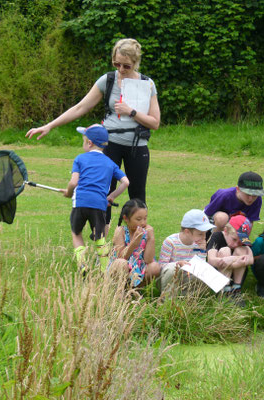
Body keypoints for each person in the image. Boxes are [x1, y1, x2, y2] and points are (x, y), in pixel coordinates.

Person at [26, 38, 160, 229]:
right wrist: (49, 125)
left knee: (138, 197)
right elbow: (81, 107)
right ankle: (103, 246)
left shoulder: (147, 84)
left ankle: (138, 244)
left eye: (126, 66)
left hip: (137, 147)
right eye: (117, 64)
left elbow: (154, 123)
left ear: (136, 63)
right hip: (110, 144)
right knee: (103, 194)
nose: (121, 69)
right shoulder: (108, 80)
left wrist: (130, 111)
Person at [60, 124, 129, 273]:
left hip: (80, 203)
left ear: (89, 143)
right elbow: (126, 182)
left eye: (84, 141)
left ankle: (82, 265)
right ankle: (104, 269)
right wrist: (111, 196)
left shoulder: (80, 159)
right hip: (99, 204)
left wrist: (69, 192)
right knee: (100, 236)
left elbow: (73, 182)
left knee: (77, 233)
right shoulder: (110, 163)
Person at [158, 209, 216, 293]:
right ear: (187, 232)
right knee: (171, 269)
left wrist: (203, 251)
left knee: (205, 274)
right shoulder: (170, 242)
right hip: (168, 280)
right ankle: (168, 301)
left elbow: (200, 266)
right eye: (200, 234)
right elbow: (162, 267)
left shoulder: (199, 244)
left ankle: (189, 299)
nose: (204, 237)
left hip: (186, 279)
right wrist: (177, 264)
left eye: (205, 233)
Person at [108, 199, 160, 288]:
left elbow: (148, 260)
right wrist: (134, 242)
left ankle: (134, 290)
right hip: (122, 268)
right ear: (126, 218)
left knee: (155, 266)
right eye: (138, 219)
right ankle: (121, 290)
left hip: (139, 268)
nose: (143, 223)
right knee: (121, 263)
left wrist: (151, 238)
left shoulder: (146, 232)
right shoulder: (121, 231)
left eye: (145, 218)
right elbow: (121, 257)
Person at [206, 214, 254, 302]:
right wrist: (234, 261)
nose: (236, 244)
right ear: (226, 230)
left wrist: (231, 260)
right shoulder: (217, 236)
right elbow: (211, 260)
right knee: (225, 250)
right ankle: (224, 291)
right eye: (234, 239)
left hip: (235, 277)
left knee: (241, 250)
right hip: (219, 275)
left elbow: (251, 259)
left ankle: (236, 289)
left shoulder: (242, 242)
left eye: (240, 242)